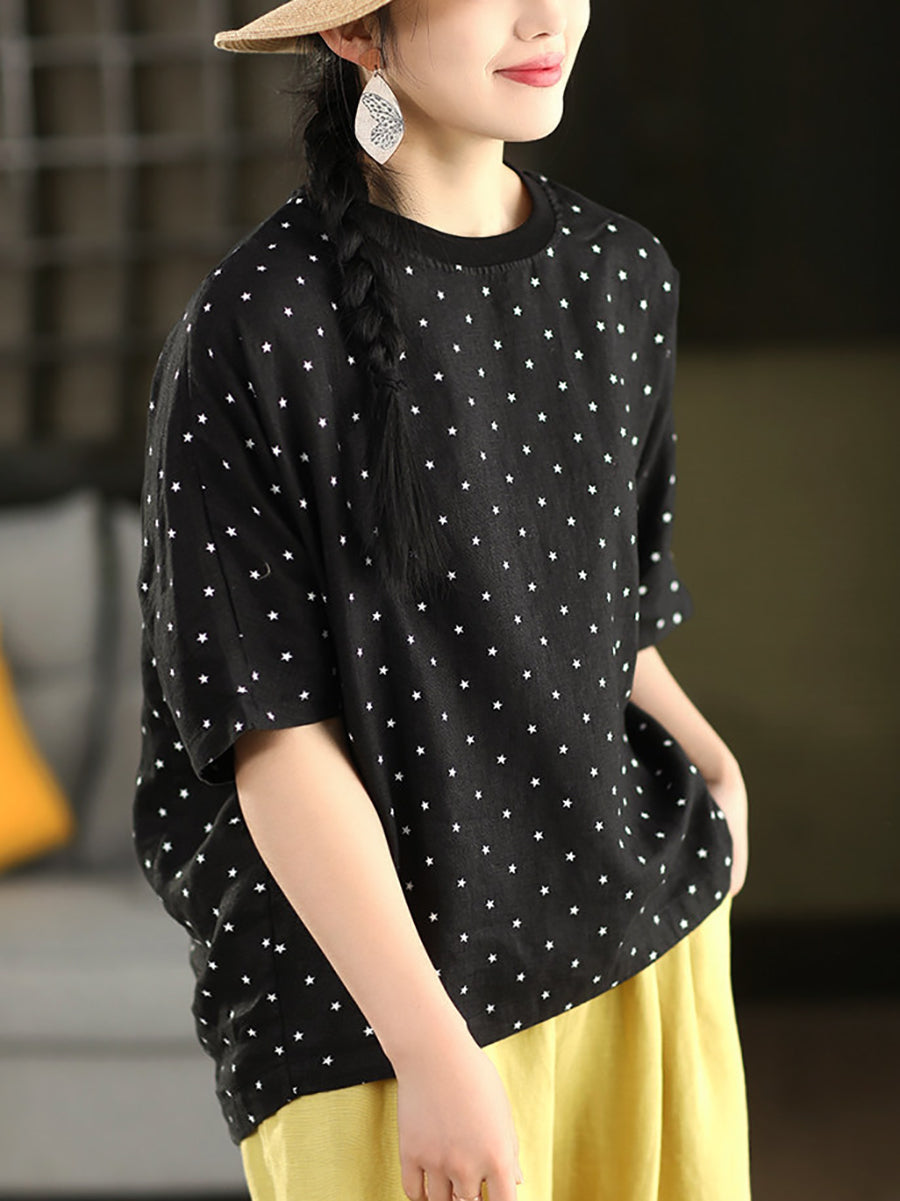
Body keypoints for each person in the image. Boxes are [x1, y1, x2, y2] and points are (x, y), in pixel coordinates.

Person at [133, 1, 753, 1199]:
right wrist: (433, 1054)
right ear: (358, 36)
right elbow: (272, 739)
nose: (545, 17)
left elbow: (612, 622)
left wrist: (721, 779)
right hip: (372, 1024)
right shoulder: (255, 326)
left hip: (643, 942)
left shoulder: (623, 274)